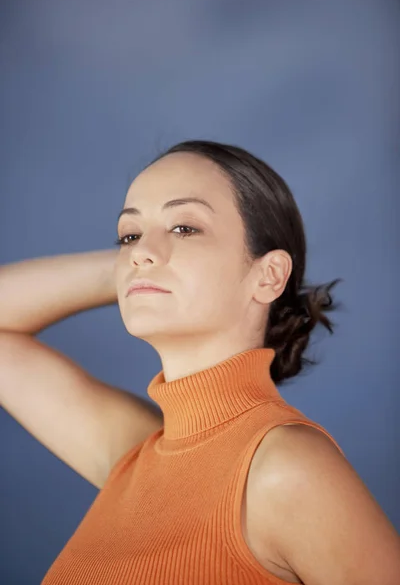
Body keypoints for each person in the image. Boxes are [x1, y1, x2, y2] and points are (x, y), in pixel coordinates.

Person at [0, 140, 399, 584]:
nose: (138, 251)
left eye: (185, 228)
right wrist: (136, 268)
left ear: (269, 275)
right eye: (128, 234)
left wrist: (148, 262)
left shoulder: (284, 467)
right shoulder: (134, 453)